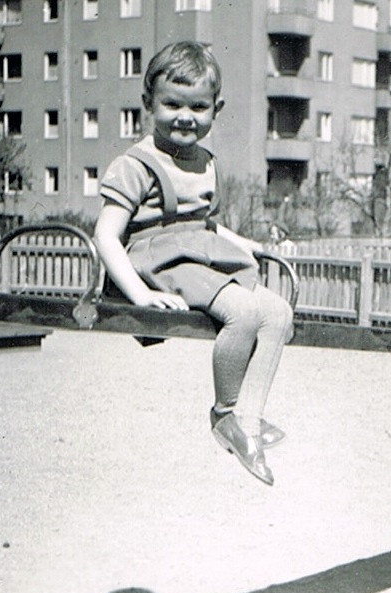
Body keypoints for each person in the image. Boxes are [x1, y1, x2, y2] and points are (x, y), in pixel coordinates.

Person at [93, 41, 293, 486]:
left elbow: (206, 226)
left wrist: (249, 245)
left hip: (197, 255)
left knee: (278, 311)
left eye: (198, 106)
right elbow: (106, 234)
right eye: (172, 104)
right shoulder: (135, 164)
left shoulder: (206, 163)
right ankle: (225, 414)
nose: (185, 116)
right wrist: (140, 293)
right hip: (156, 261)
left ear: (215, 110)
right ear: (148, 103)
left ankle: (251, 420)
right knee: (243, 313)